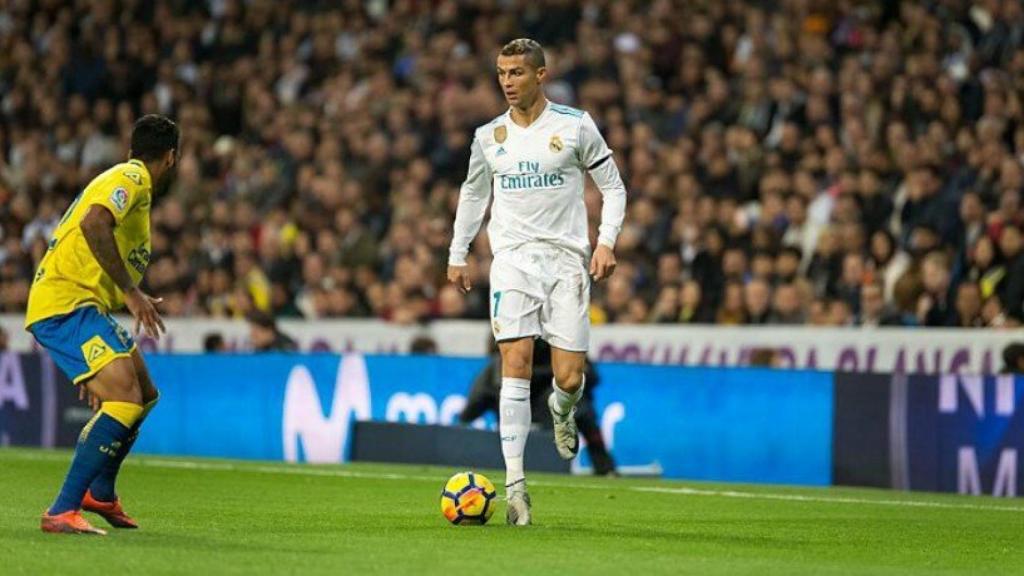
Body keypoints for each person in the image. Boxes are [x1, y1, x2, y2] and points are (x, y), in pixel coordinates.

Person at [447, 38, 626, 525]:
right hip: (512, 262)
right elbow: (472, 194)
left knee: (568, 378)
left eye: (517, 73)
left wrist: (606, 241)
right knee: (515, 364)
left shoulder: (574, 126)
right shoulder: (490, 136)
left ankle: (563, 409)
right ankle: (516, 490)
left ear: (541, 75)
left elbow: (613, 186)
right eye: (502, 73)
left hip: (567, 263)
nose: (507, 82)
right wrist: (458, 252)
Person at [24, 115, 179, 535]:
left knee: (143, 393)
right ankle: (62, 509)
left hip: (84, 307)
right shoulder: (134, 177)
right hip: (66, 304)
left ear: (132, 148)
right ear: (170, 157)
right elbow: (95, 222)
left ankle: (102, 493)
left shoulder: (129, 180)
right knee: (125, 398)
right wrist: (132, 292)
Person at [459, 339, 617, 476]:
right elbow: (497, 381)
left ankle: (604, 468)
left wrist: (565, 380)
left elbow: (592, 376)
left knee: (580, 407)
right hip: (521, 402)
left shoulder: (564, 342)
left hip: (551, 403)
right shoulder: (515, 338)